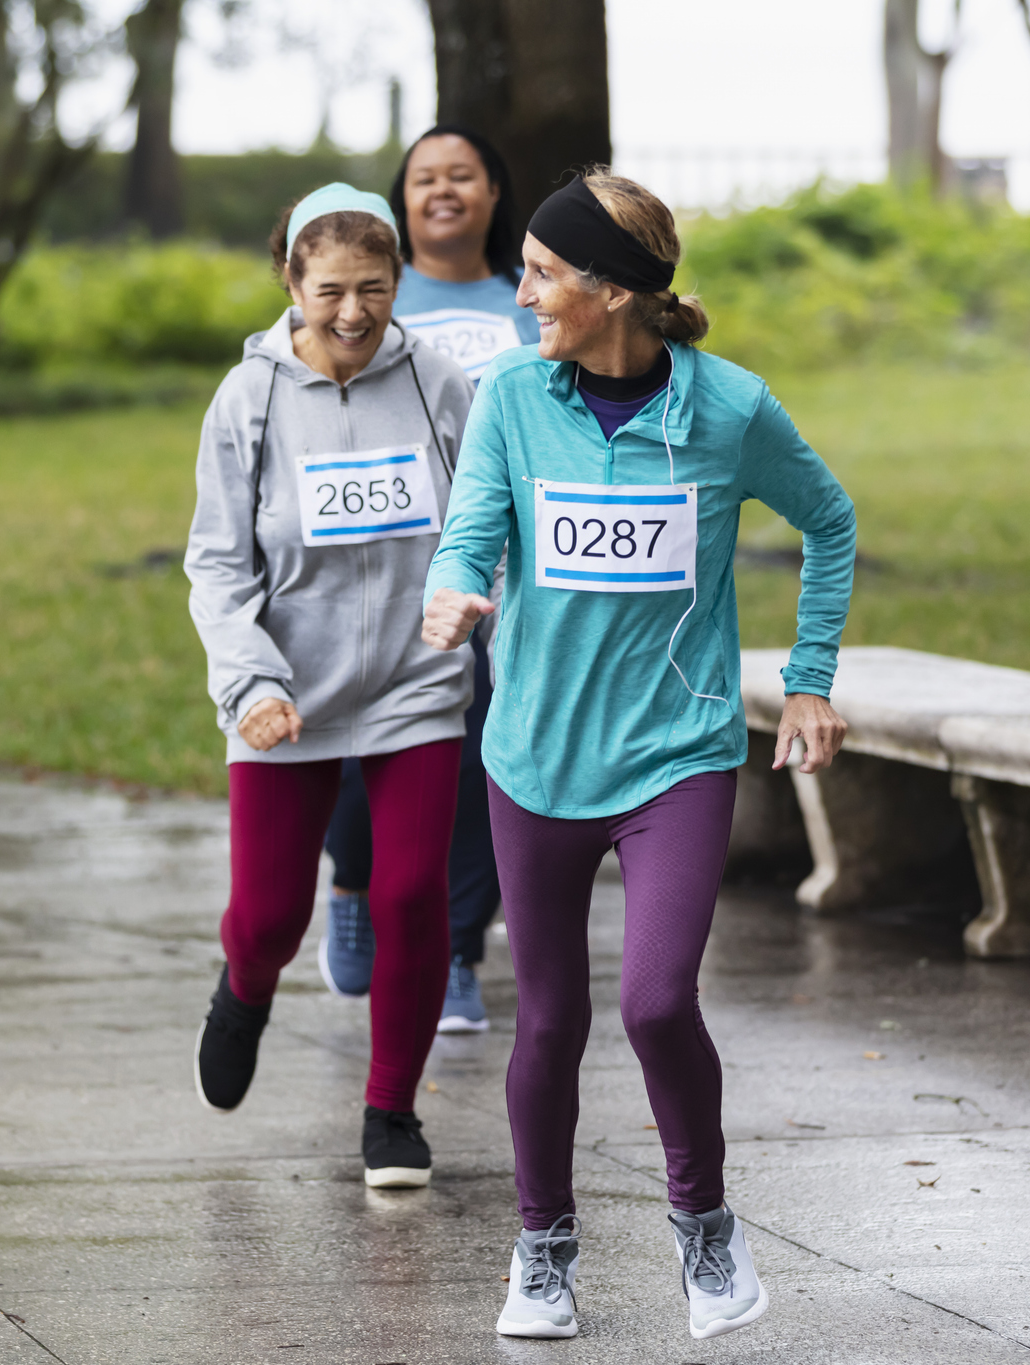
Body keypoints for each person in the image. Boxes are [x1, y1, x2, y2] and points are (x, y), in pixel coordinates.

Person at [421, 170, 855, 1341]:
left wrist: (808, 680)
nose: (520, 296)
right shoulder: (510, 394)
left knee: (658, 1003)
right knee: (550, 1019)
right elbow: (470, 527)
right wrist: (457, 587)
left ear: (609, 292)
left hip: (676, 751)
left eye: (542, 275)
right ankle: (542, 1251)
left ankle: (704, 1227)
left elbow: (828, 520)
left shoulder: (730, 410)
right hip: (534, 753)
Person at [185, 183, 474, 1187]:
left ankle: (390, 1110)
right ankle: (243, 989)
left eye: (374, 288)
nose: (352, 312)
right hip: (285, 694)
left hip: (413, 683)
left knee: (408, 893)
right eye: (330, 291)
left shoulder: (437, 384)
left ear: (398, 283)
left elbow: (482, 523)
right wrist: (249, 680)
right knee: (269, 915)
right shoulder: (249, 398)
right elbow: (217, 565)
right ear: (289, 282)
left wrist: (473, 608)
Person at [316, 126, 539, 1032]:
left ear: (492, 191)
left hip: (505, 571)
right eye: (424, 179)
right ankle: (355, 882)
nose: (442, 191)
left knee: (482, 752)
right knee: (353, 747)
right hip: (374, 562)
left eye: (462, 176)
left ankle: (449, 947)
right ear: (401, 201)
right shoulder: (373, 299)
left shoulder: (529, 298)